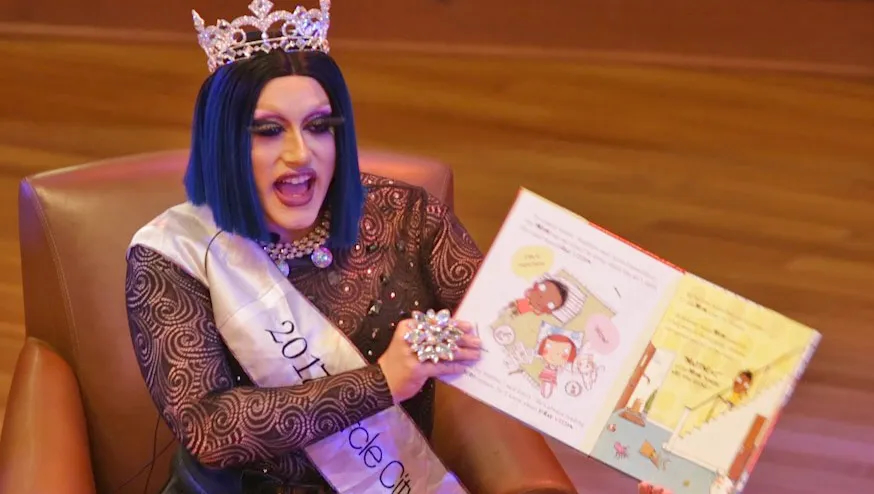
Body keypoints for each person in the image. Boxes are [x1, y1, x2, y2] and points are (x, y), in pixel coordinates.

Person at [124, 1, 674, 493]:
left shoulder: (405, 218)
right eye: (268, 131)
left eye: (319, 126)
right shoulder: (170, 256)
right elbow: (210, 430)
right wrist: (383, 381)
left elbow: (523, 339)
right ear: (223, 143)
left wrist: (656, 457)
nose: (300, 154)